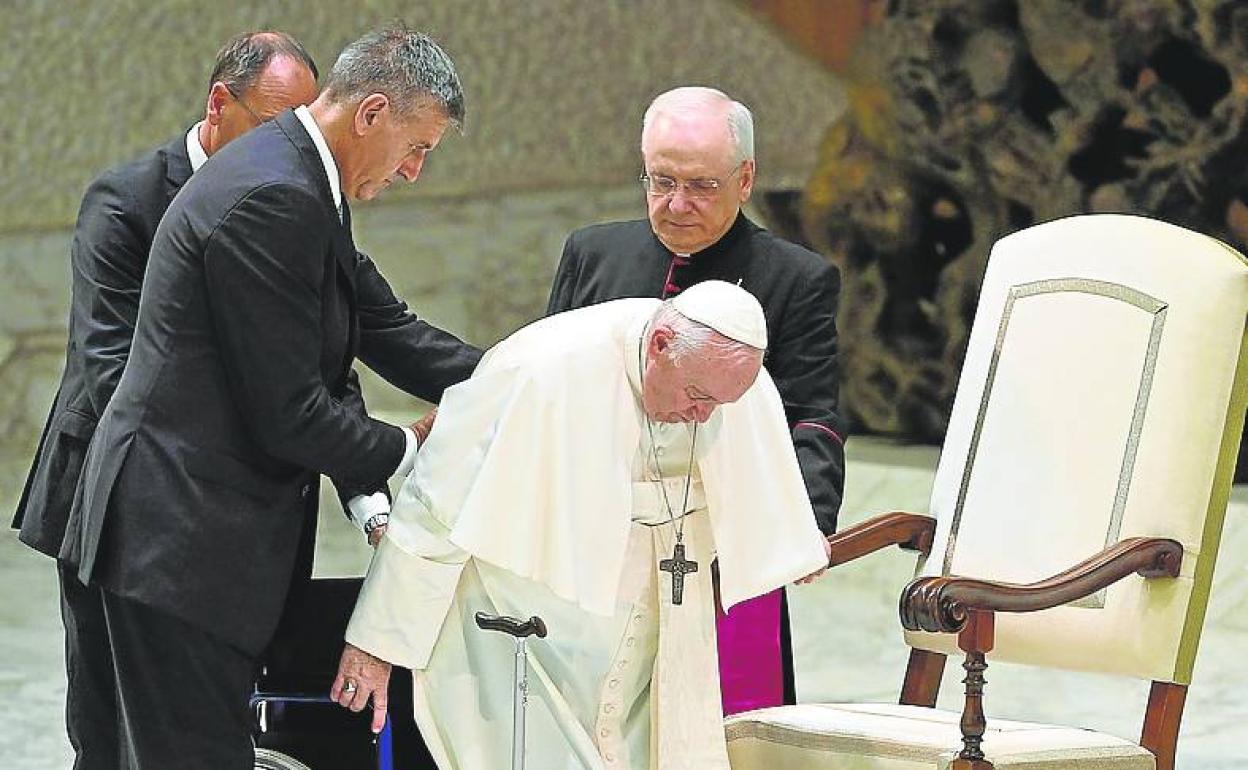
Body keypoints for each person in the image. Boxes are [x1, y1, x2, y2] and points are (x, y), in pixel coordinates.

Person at [57, 24, 476, 770]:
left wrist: (526, 379)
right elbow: (290, 414)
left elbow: (388, 327)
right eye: (418, 148)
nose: (415, 172)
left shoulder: (300, 175)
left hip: (194, 541)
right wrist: (410, 442)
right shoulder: (276, 195)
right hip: (177, 540)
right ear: (373, 113)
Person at [333, 280, 832, 770]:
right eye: (696, 396)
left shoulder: (722, 378)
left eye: (718, 406)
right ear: (660, 346)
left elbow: (761, 479)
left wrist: (793, 542)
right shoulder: (537, 368)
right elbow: (435, 509)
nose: (702, 417)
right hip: (532, 629)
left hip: (658, 634)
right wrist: (378, 643)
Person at [10, 31, 321, 770]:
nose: (292, 147)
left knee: (209, 735)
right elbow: (110, 367)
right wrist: (264, 425)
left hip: (224, 524)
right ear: (220, 104)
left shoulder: (295, 203)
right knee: (110, 731)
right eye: (276, 124)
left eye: (303, 130)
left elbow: (316, 349)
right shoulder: (126, 202)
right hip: (113, 503)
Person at [546, 85, 845, 713]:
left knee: (719, 721)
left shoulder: (796, 278)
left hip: (723, 541)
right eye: (660, 181)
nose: (676, 205)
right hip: (602, 536)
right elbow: (555, 389)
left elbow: (812, 412)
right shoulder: (592, 253)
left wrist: (808, 520)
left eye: (702, 186)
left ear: (745, 179)